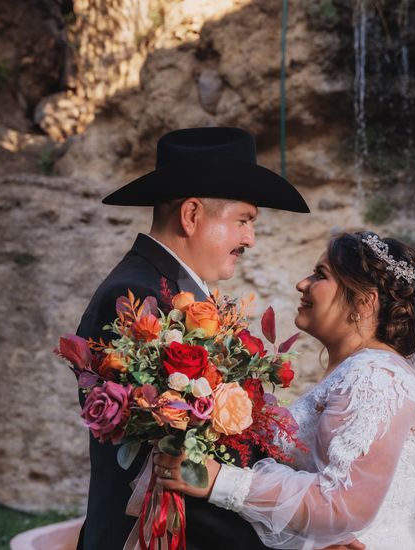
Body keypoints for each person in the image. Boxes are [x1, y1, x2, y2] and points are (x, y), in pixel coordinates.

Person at [151, 231, 415, 549]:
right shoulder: (363, 372)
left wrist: (217, 480)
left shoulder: (376, 378)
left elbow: (342, 503)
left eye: (321, 275)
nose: (303, 284)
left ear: (363, 302)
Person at [74, 126, 309, 550]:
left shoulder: (167, 291)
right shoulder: (136, 299)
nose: (250, 239)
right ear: (192, 215)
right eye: (244, 220)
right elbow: (176, 467)